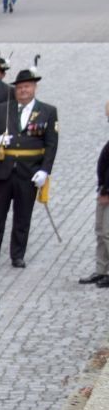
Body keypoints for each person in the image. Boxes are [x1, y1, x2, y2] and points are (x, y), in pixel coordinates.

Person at [0, 67, 59, 268]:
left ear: (34, 88)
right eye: (20, 87)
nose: (23, 90)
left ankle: (17, 254)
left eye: (27, 86)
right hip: (2, 171)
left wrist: (45, 171)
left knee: (22, 216)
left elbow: (51, 144)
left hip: (28, 172)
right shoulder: (2, 109)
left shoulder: (48, 112)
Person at [92, 102, 109, 289]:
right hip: (103, 189)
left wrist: (107, 191)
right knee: (100, 231)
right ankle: (101, 270)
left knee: (107, 233)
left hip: (107, 192)